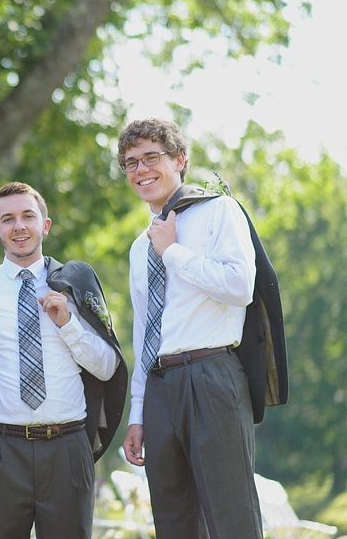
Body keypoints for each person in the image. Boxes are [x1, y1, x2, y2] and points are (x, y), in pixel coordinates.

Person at [0, 182, 125, 538]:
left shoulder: (74, 284)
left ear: (46, 224)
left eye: (28, 216)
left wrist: (68, 324)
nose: (19, 226)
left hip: (67, 449)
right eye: (8, 219)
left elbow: (107, 367)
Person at [118, 119, 261, 537]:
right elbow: (145, 332)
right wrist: (138, 413)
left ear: (180, 160)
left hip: (213, 376)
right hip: (161, 386)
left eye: (150, 158)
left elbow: (240, 287)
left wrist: (174, 253)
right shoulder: (139, 246)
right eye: (130, 163)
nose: (141, 170)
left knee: (231, 516)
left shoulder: (220, 210)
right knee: (174, 521)